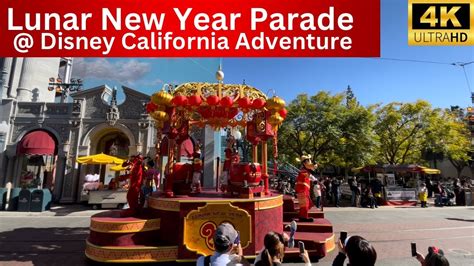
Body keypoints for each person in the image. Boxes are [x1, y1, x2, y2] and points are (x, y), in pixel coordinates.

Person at [295, 155, 318, 222]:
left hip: (304, 189)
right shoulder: (303, 171)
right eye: (307, 161)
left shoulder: (305, 170)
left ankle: (303, 216)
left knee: (306, 203)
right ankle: (303, 217)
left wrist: (314, 180)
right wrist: (314, 180)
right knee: (304, 203)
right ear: (304, 163)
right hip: (302, 189)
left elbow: (311, 173)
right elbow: (310, 173)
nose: (309, 162)